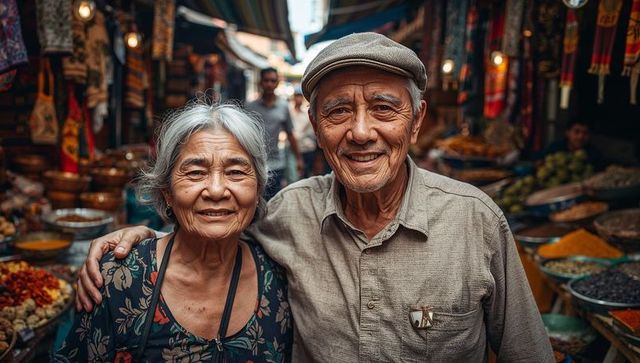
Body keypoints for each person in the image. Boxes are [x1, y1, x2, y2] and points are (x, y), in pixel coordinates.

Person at [76, 33, 554, 362]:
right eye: (339, 111)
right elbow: (214, 217)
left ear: (417, 120)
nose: (361, 132)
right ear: (316, 127)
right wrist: (142, 239)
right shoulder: (288, 212)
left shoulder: (475, 221)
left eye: (384, 108)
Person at [55, 103, 292, 362]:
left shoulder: (280, 278)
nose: (215, 190)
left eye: (235, 172)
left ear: (257, 191)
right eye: (195, 173)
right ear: (166, 192)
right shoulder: (117, 279)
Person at [246, 67, 304, 199]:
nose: (269, 84)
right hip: (254, 164)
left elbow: (290, 134)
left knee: (273, 204)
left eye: (273, 81)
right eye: (266, 80)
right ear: (260, 82)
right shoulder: (250, 107)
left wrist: (298, 158)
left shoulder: (283, 106)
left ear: (277, 83)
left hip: (276, 164)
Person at [538, 118, 605, 170]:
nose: (580, 137)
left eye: (585, 133)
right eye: (576, 132)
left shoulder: (594, 155)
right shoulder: (555, 148)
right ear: (567, 133)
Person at [290, 85, 318, 178]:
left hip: (307, 148)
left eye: (299, 96)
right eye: (296, 96)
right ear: (293, 97)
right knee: (293, 176)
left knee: (306, 174)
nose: (298, 98)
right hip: (293, 149)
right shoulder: (289, 111)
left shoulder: (307, 112)